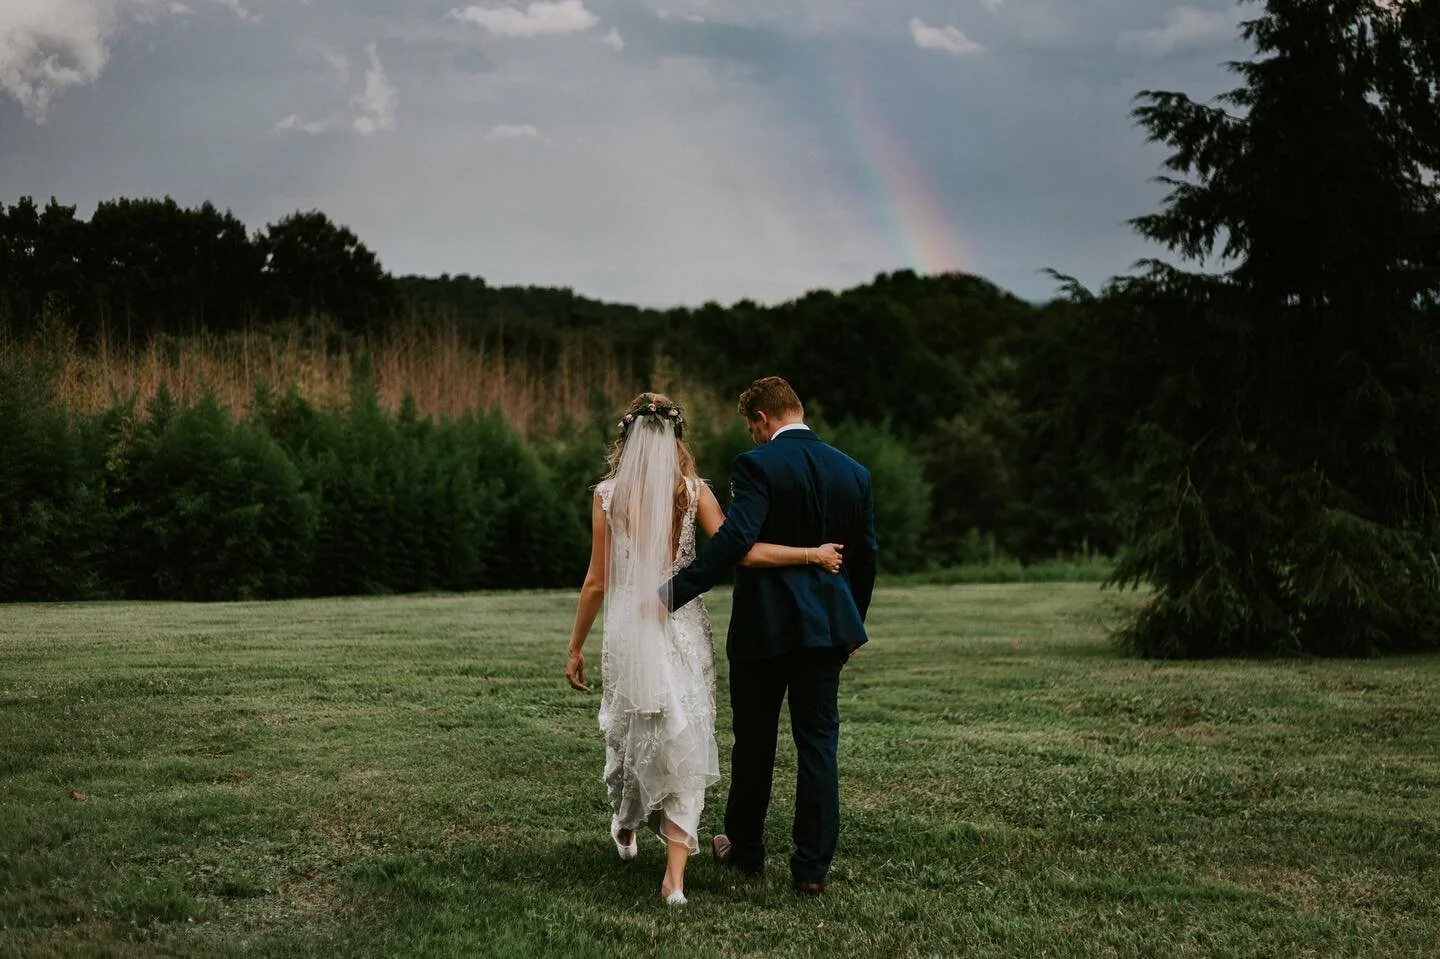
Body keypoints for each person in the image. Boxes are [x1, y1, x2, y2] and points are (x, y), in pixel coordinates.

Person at [565, 392, 845, 906]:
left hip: (632, 626)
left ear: (626, 439)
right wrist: (810, 553)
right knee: (685, 735)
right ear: (678, 440)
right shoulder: (694, 494)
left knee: (634, 729)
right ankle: (674, 878)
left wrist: (574, 646)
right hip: (684, 625)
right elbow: (742, 551)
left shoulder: (608, 495)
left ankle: (626, 824)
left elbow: (595, 583)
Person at [664, 376, 877, 897]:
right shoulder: (854, 472)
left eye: (751, 427)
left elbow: (737, 540)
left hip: (766, 627)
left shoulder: (757, 464)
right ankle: (810, 871)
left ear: (762, 419)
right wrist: (854, 623)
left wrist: (672, 593)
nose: (753, 436)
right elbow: (865, 557)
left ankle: (746, 849)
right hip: (828, 629)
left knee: (755, 743)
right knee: (819, 746)